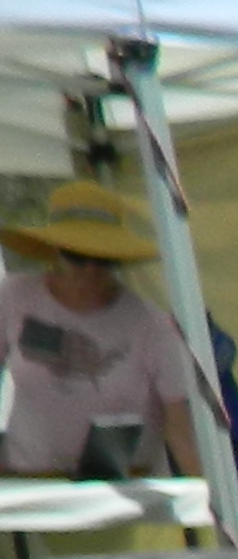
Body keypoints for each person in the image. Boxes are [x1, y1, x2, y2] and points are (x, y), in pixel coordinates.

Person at [1, 182, 197, 480]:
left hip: (125, 488)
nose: (91, 270)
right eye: (77, 256)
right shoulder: (14, 297)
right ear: (55, 252)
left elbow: (180, 427)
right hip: (33, 482)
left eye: (105, 260)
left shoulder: (153, 325)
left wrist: (206, 494)